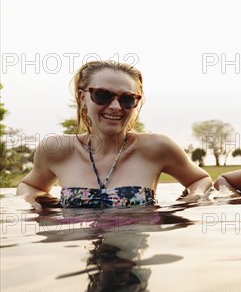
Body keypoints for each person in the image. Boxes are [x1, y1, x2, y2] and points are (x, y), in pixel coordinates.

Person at [17, 60, 212, 209]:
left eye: (127, 99)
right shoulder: (57, 149)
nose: (115, 107)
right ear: (82, 97)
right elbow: (30, 186)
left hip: (134, 257)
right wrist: (31, 203)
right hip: (76, 254)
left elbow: (200, 180)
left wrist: (192, 200)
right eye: (102, 95)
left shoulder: (156, 147)